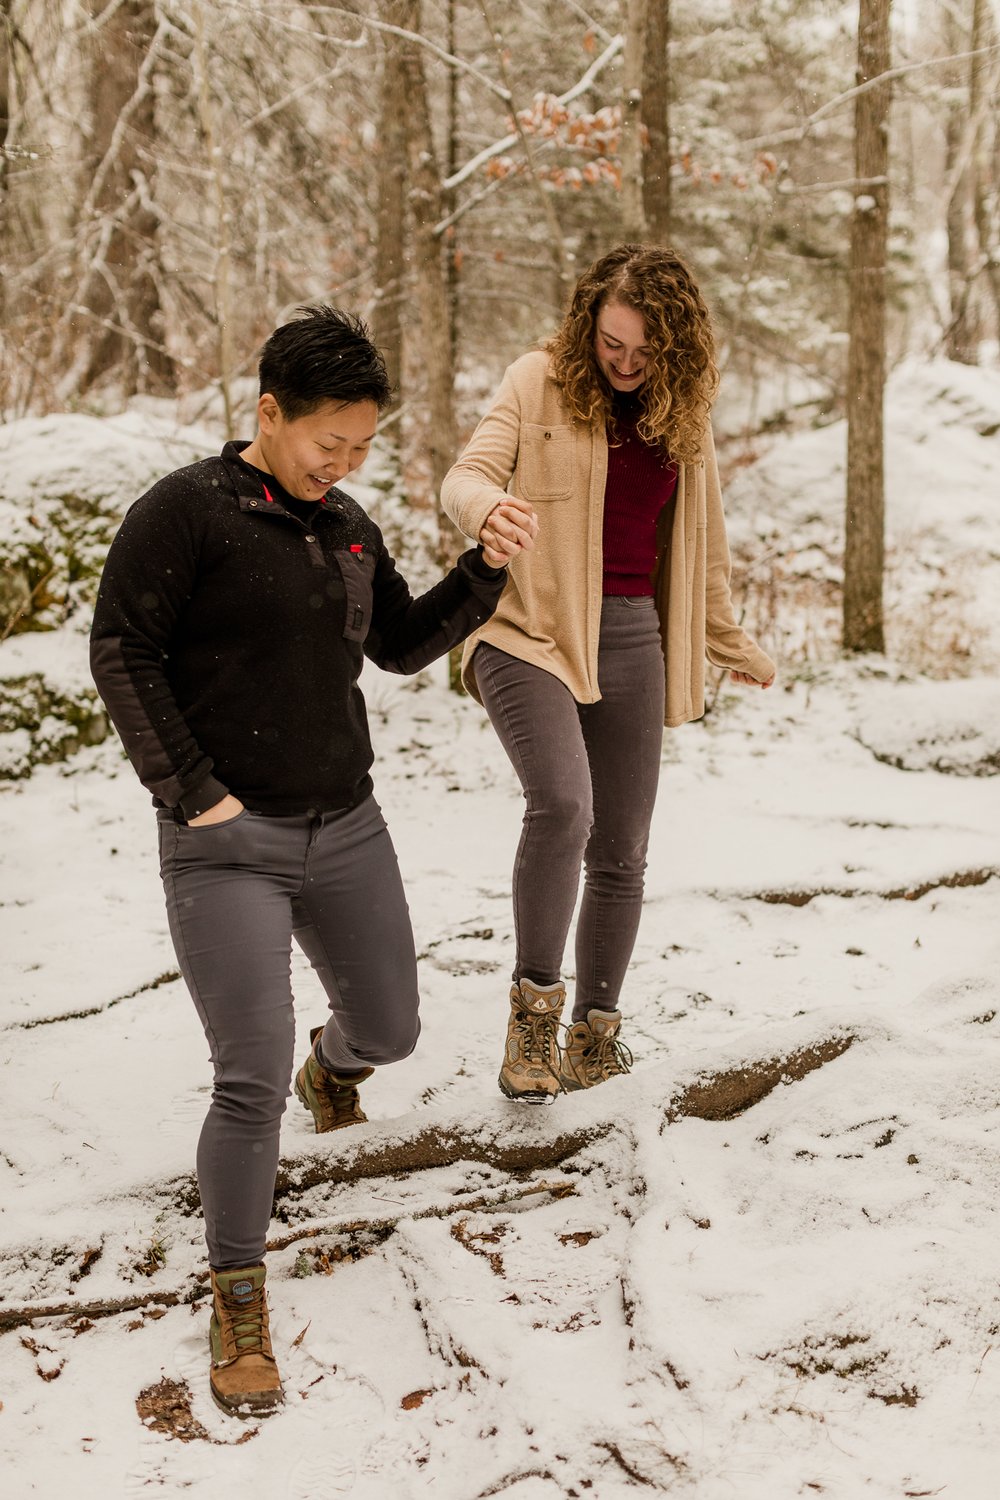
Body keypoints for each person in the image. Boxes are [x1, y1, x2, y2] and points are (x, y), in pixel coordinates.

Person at [89, 306, 536, 1419]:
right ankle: (238, 1287)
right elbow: (121, 650)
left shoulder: (347, 525)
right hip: (223, 845)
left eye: (362, 447)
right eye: (326, 442)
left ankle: (334, 1071)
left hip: (346, 824)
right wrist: (194, 794)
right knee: (247, 1074)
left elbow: (393, 647)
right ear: (268, 413)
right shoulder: (182, 513)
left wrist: (480, 573)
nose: (342, 463)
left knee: (391, 1030)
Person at [441, 243, 776, 1106]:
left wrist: (730, 642)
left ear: (677, 346)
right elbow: (467, 475)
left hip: (631, 634)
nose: (623, 365)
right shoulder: (536, 380)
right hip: (528, 631)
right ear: (589, 323)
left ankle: (595, 1037)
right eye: (611, 344)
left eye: (643, 352)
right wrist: (491, 512)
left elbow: (703, 547)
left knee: (623, 848)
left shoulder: (683, 417)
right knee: (564, 803)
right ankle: (532, 1023)